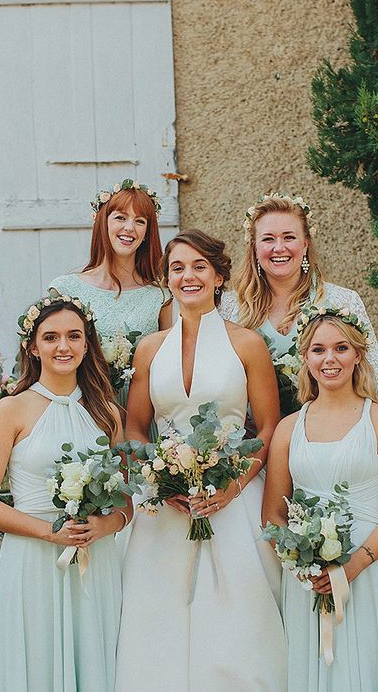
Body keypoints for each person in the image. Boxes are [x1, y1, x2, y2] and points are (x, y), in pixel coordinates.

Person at [115, 229, 287, 692]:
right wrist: (157, 480)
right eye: (177, 268)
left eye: (198, 267)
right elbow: (135, 429)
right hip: (166, 507)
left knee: (236, 617)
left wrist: (232, 486)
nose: (187, 276)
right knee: (157, 617)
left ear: (218, 276)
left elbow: (269, 428)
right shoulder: (149, 348)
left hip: (234, 499)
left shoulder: (247, 343)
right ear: (167, 278)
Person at [0, 290, 130, 692]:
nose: (64, 346)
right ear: (33, 347)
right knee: (37, 664)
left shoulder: (107, 412)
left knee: (96, 662)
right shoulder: (12, 409)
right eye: (51, 337)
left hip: (96, 560)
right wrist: (48, 532)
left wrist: (105, 525)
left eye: (74, 336)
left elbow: (126, 501)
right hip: (34, 559)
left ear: (87, 344)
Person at [262, 303, 378, 691]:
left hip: (369, 569)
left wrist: (352, 565)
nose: (329, 359)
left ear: (358, 355)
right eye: (318, 350)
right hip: (309, 580)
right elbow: (273, 514)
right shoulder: (288, 429)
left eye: (340, 348)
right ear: (305, 358)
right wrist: (305, 566)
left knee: (370, 664)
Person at [234, 193, 378, 405]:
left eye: (289, 237)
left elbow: (376, 379)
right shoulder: (234, 308)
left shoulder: (343, 301)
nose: (279, 248)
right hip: (257, 433)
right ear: (254, 247)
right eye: (268, 239)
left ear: (305, 244)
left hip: (326, 428)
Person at [49, 179, 171, 405]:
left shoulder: (161, 297)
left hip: (142, 409)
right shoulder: (66, 289)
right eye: (120, 218)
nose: (129, 228)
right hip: (84, 405)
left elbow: (170, 366)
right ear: (102, 223)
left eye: (140, 221)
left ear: (147, 232)